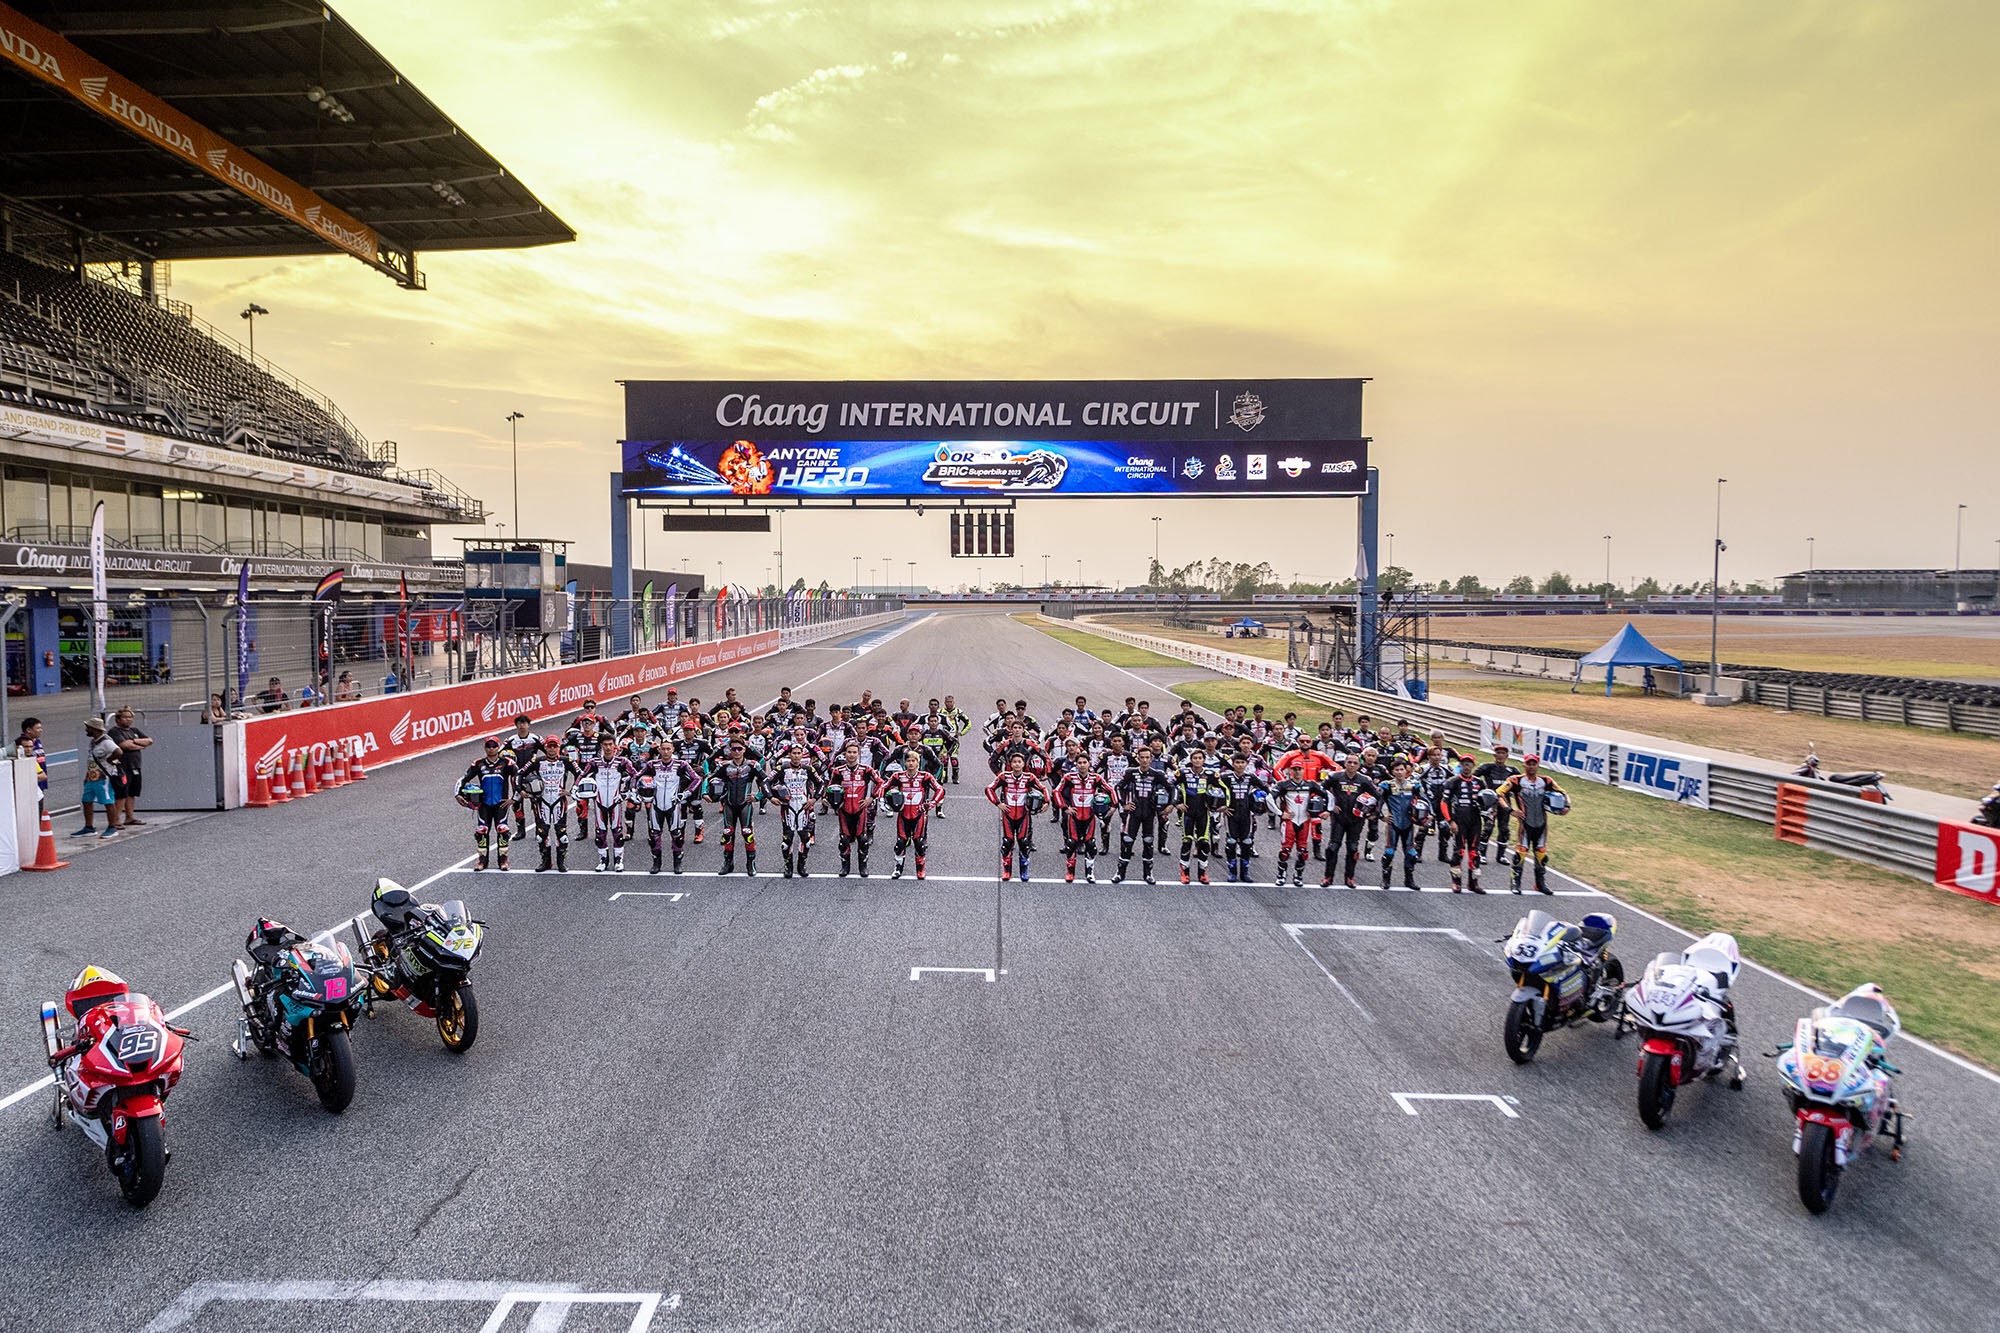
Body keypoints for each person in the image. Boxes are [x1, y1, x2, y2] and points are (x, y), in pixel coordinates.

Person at [1497, 754, 1568, 895]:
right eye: (1528, 764)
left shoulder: (1546, 780)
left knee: (1541, 853)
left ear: (1537, 765)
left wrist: (1566, 806)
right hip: (1525, 823)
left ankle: (1540, 883)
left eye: (1534, 764)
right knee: (1521, 851)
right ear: (1524, 765)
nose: (1531, 766)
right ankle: (1515, 882)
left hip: (1541, 823)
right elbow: (1499, 793)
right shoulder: (1515, 780)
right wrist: (1510, 810)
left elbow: (1563, 792)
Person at [986, 751, 1048, 882]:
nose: (1017, 764)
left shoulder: (1029, 777)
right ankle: (1006, 871)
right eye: (1014, 762)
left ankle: (1024, 870)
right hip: (1008, 814)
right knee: (1007, 842)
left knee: (1023, 842)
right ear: (1010, 764)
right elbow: (989, 789)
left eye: (1019, 762)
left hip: (1023, 814)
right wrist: (998, 803)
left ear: (1023, 764)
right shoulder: (1004, 776)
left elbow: (1043, 788)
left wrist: (1046, 802)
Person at [885, 746, 945, 880]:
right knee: (900, 842)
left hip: (919, 815)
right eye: (908, 761)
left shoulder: (925, 776)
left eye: (914, 761)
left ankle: (920, 869)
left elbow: (940, 790)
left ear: (918, 763)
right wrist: (884, 801)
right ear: (904, 763)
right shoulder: (898, 776)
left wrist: (932, 803)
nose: (911, 763)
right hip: (903, 814)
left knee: (919, 843)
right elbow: (884, 787)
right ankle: (898, 868)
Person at [458, 738, 518, 872]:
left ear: (498, 747)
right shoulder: (478, 764)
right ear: (485, 747)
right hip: (484, 804)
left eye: (494, 746)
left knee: (502, 830)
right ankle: (482, 860)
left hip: (501, 804)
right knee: (482, 831)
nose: (491, 748)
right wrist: (458, 794)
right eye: (488, 746)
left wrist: (514, 798)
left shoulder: (507, 763)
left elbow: (519, 778)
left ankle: (503, 860)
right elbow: (463, 779)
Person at [79, 718, 124, 838]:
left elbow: (119, 752)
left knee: (108, 801)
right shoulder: (94, 742)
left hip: (103, 778)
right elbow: (91, 759)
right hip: (92, 777)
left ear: (94, 729)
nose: (86, 730)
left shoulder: (106, 742)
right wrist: (87, 775)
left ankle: (112, 827)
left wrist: (110, 760)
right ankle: (88, 827)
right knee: (86, 800)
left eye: (88, 727)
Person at [107, 707, 152, 828]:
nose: (128, 719)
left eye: (130, 717)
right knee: (121, 794)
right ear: (118, 719)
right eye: (125, 717)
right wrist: (140, 745)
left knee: (132, 792)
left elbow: (149, 741)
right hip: (122, 767)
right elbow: (125, 745)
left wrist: (134, 741)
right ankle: (116, 820)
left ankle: (130, 817)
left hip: (135, 765)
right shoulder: (115, 732)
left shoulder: (134, 730)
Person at [13, 717, 48, 808]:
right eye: (38, 728)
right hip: (28, 784)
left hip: (39, 782)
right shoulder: (20, 744)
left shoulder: (37, 742)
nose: (41, 730)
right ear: (29, 730)